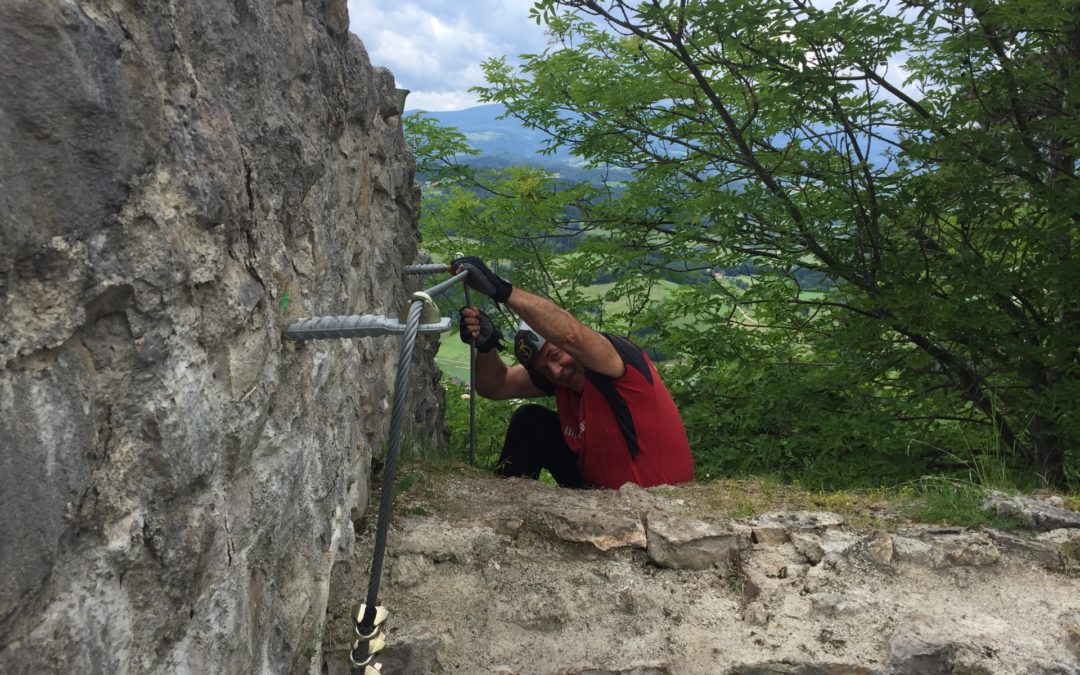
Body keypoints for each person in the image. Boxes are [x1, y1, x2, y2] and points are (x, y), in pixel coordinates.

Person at [451, 256, 694, 489]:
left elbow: (571, 335)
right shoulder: (561, 379)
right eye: (544, 369)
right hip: (595, 490)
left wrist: (502, 290)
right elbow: (495, 386)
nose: (557, 371)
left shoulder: (611, 361)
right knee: (530, 421)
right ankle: (507, 509)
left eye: (556, 355)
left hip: (655, 496)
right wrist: (486, 348)